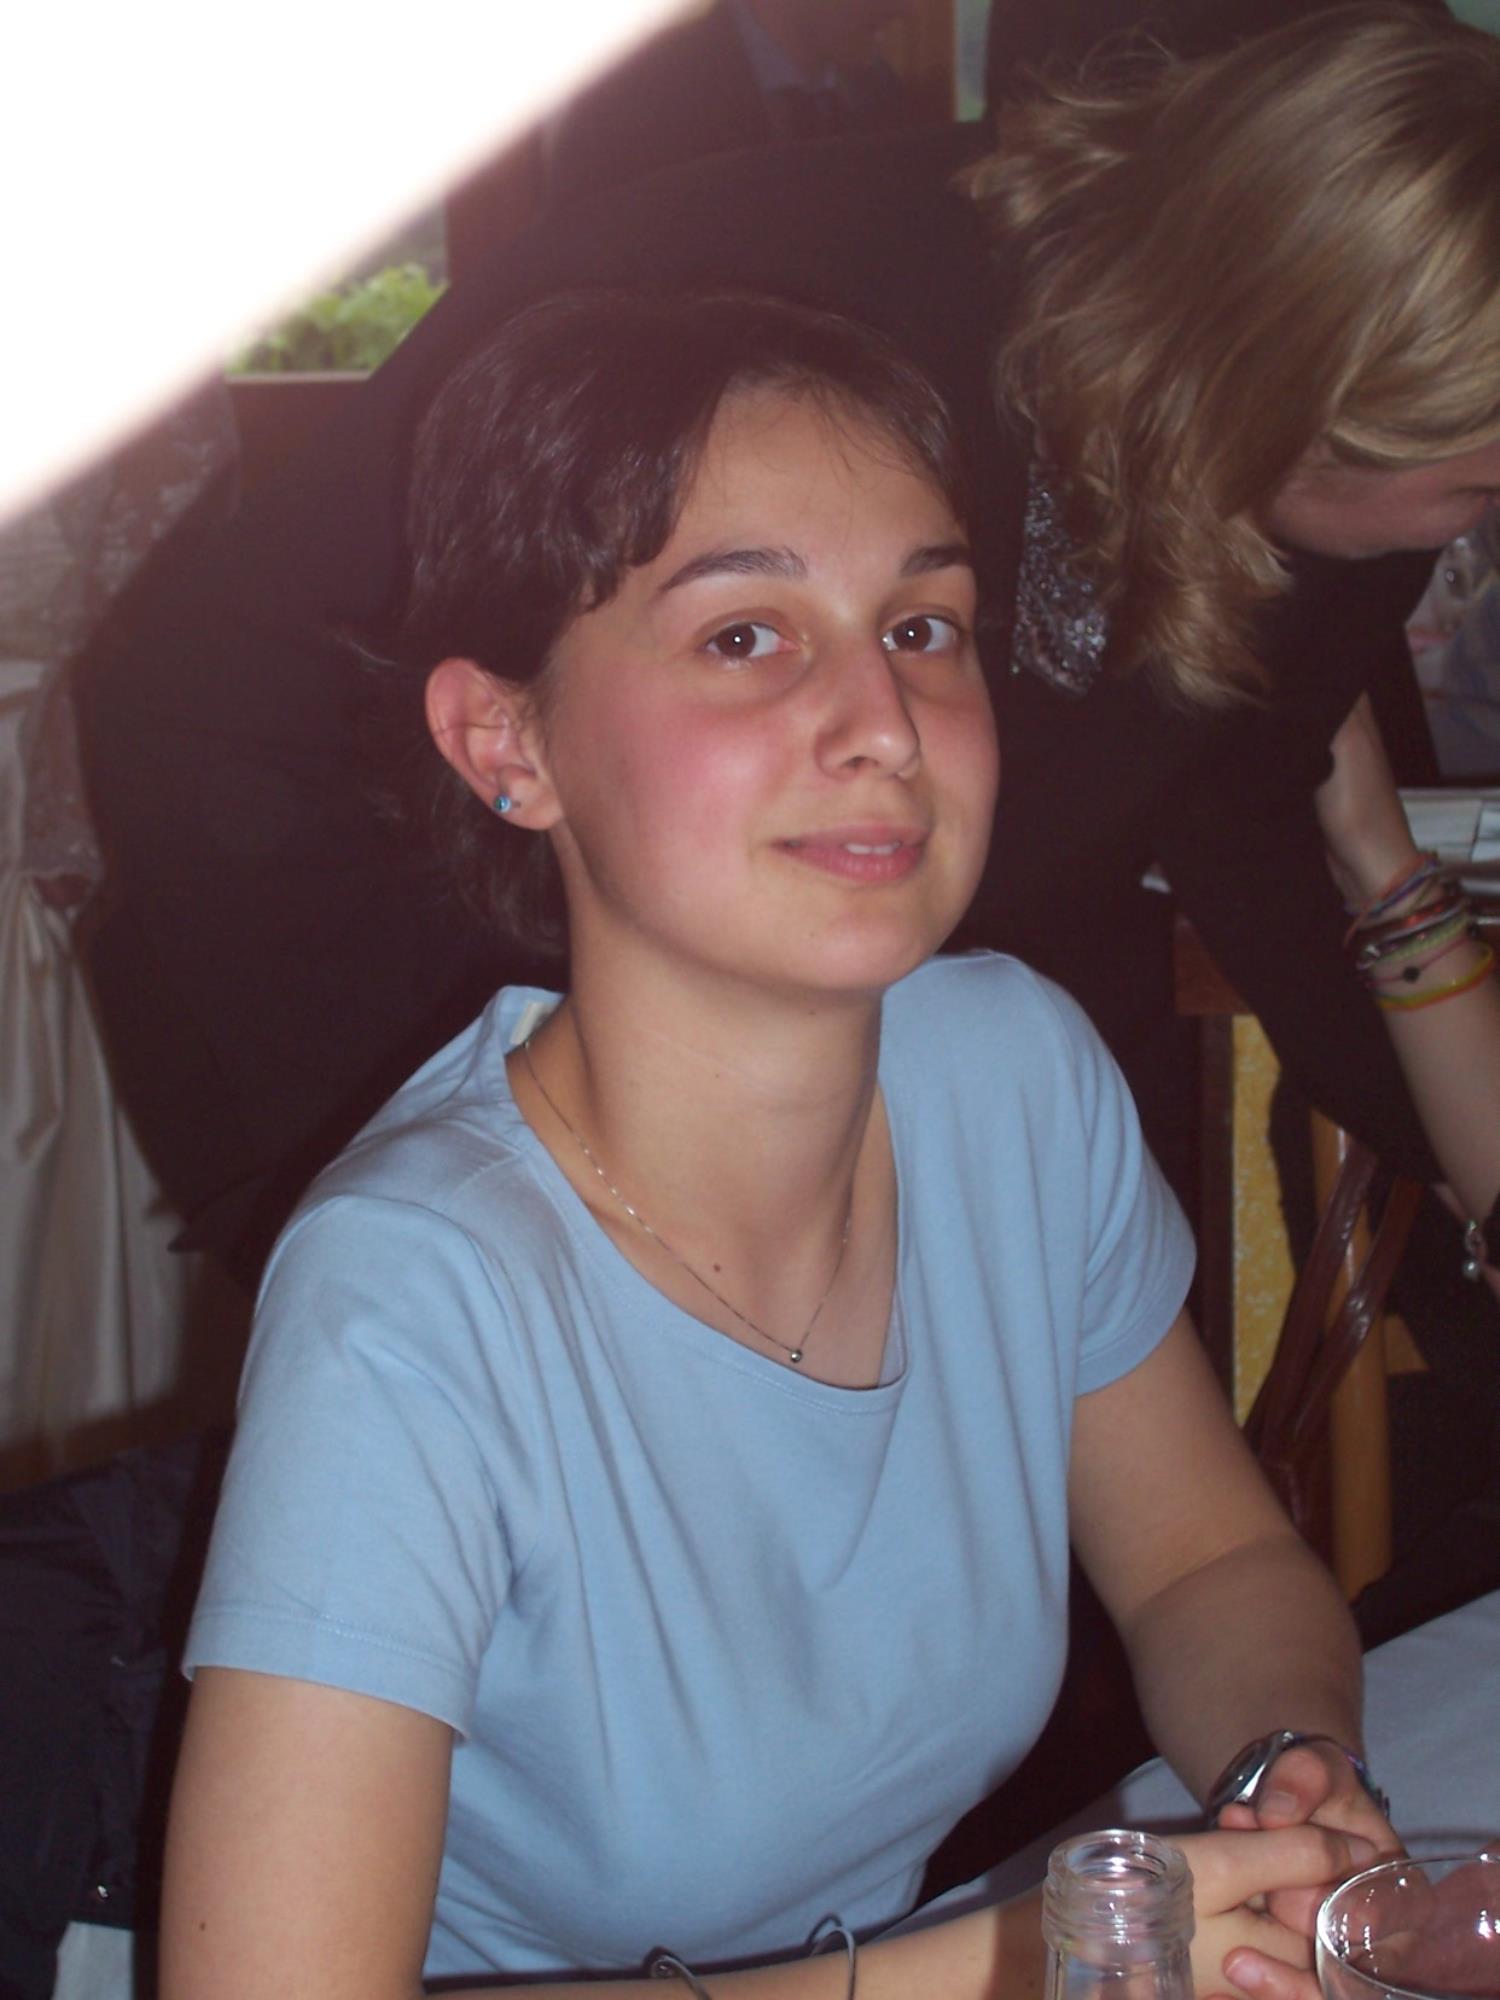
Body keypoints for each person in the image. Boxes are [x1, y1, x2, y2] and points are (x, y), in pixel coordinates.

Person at [162, 287, 1389, 1998]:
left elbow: (1209, 1560)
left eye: (923, 626)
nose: (882, 721)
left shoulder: (1012, 1080)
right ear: (507, 743)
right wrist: (1023, 1957)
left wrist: (1286, 1775)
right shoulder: (414, 1294)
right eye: (746, 635)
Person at [73, 5, 1500, 1284]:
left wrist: (1452, 1167)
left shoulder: (1332, 504)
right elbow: (217, 691)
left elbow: (1240, 801)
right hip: (404, 978)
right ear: (1295, 390)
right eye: (1477, 481)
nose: (1478, 520)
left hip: (848, 1052)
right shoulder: (793, 310)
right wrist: (424, 1163)